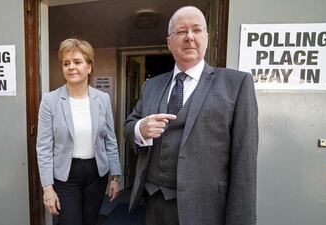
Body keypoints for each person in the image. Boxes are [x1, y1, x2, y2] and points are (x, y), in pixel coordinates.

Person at [124, 6, 258, 225]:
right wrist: (140, 129)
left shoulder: (237, 84)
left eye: (196, 30)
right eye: (181, 31)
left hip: (206, 208)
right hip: (154, 204)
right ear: (169, 42)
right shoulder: (152, 85)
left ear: (206, 37)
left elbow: (245, 163)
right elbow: (129, 126)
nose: (189, 37)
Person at [36, 38, 122, 225]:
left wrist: (115, 176)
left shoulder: (102, 99)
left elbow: (110, 140)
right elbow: (43, 148)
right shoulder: (50, 101)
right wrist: (47, 189)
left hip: (96, 174)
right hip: (65, 176)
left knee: (90, 221)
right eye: (66, 63)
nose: (71, 67)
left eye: (77, 62)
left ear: (89, 67)